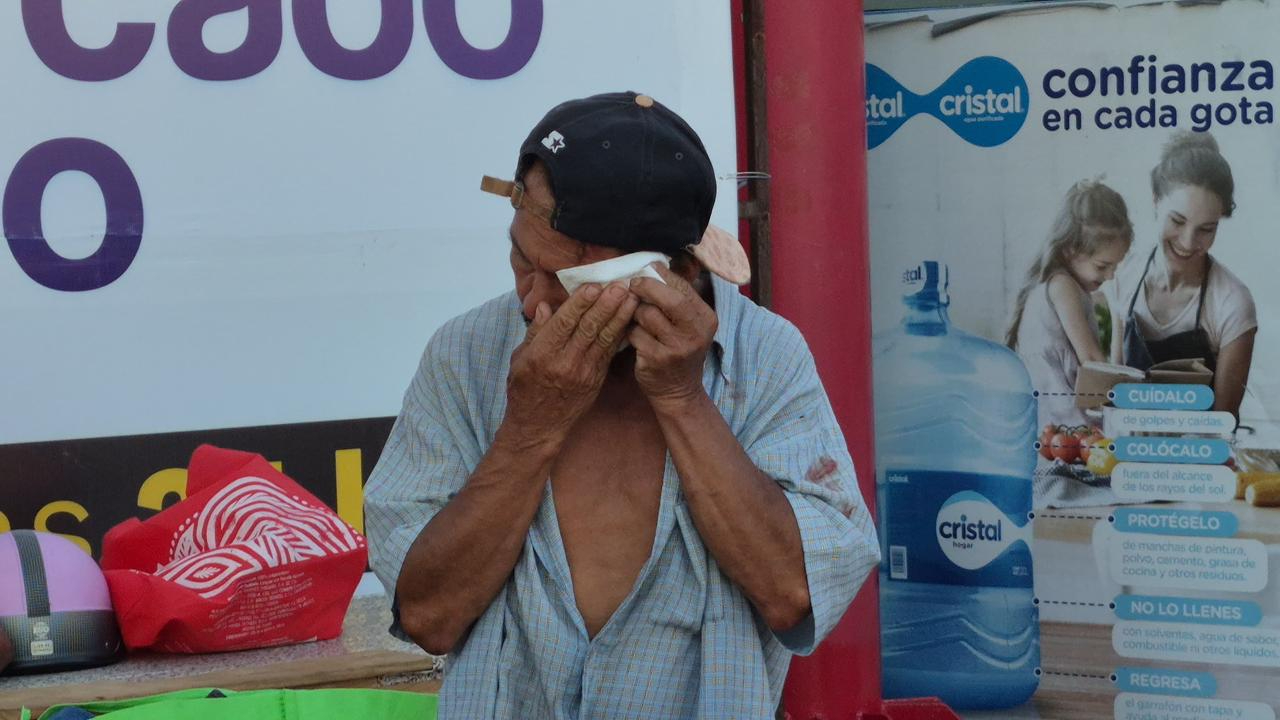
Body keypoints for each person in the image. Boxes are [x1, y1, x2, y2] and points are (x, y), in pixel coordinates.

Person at [364, 91, 879, 719]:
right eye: (520, 262)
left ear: (674, 276)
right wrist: (532, 426)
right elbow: (427, 617)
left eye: (566, 283)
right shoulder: (466, 354)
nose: (531, 305)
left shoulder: (764, 357)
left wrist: (683, 400)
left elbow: (795, 595)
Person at [1108, 131, 1257, 419]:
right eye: (1177, 220)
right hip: (1131, 451)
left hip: (1199, 456)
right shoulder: (1124, 274)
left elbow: (1224, 422)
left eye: (1206, 229)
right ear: (1155, 201)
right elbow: (1116, 391)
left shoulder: (1232, 302)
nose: (1188, 243)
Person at [1007, 179, 1133, 433]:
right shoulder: (1062, 286)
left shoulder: (1061, 286)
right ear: (1070, 250)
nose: (1110, 276)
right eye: (1102, 266)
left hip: (1054, 423)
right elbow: (1092, 360)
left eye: (1115, 267)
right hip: (1064, 423)